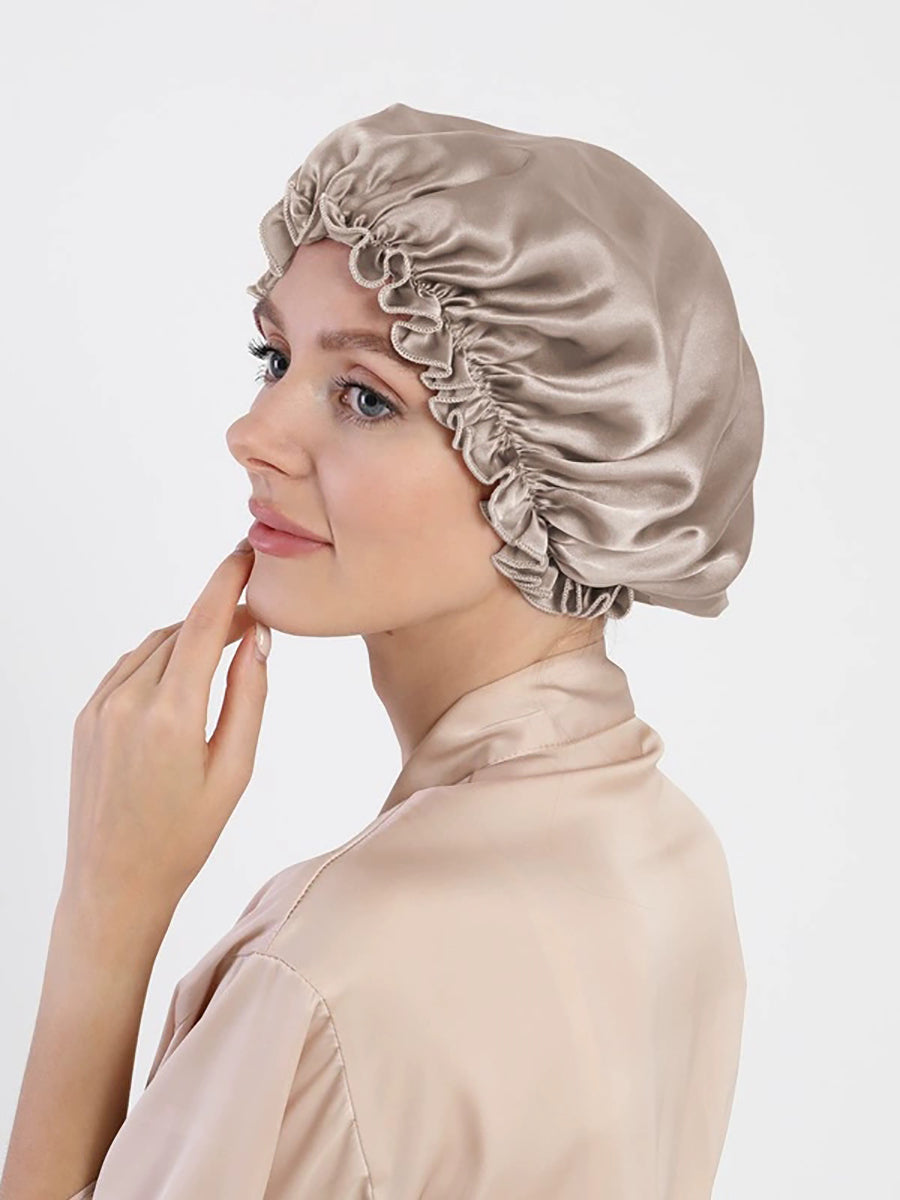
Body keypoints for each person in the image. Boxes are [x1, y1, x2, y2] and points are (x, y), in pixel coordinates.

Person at [6, 102, 763, 1198]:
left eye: (365, 397)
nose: (253, 433)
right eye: (272, 356)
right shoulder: (667, 854)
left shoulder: (328, 973)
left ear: (542, 468)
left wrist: (104, 914)